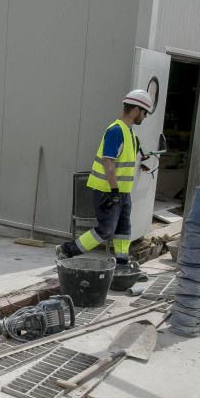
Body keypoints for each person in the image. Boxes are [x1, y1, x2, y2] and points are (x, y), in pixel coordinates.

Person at [56, 89, 153, 268]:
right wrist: (114, 191)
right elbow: (108, 162)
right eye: (145, 112)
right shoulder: (116, 131)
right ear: (136, 110)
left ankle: (122, 263)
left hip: (122, 192)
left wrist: (120, 192)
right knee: (105, 231)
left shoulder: (129, 132)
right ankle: (67, 250)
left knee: (123, 230)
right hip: (107, 191)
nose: (145, 117)